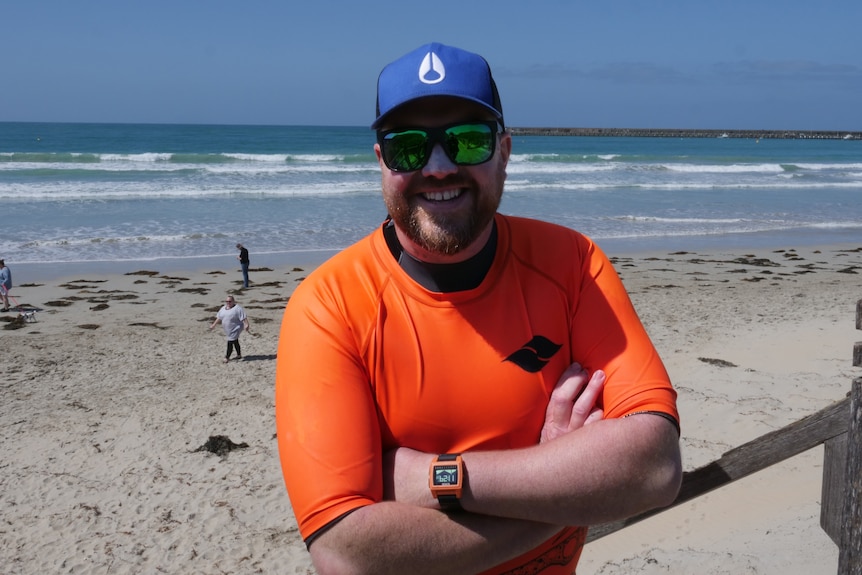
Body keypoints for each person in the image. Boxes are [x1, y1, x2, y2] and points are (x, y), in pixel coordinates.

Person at [275, 43, 681, 574]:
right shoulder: (328, 306)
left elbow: (654, 467)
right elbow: (347, 554)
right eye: (409, 147)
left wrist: (438, 477)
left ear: (505, 152)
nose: (439, 167)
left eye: (467, 141)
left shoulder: (573, 264)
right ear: (382, 162)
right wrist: (564, 485)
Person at [209, 295, 250, 362]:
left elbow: (243, 317)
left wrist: (247, 324)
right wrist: (213, 325)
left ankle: (227, 357)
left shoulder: (237, 308)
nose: (228, 302)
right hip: (228, 329)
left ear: (233, 301)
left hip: (236, 328)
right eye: (227, 301)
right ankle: (239, 355)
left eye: (230, 301)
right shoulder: (223, 308)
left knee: (230, 342)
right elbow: (219, 317)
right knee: (235, 341)